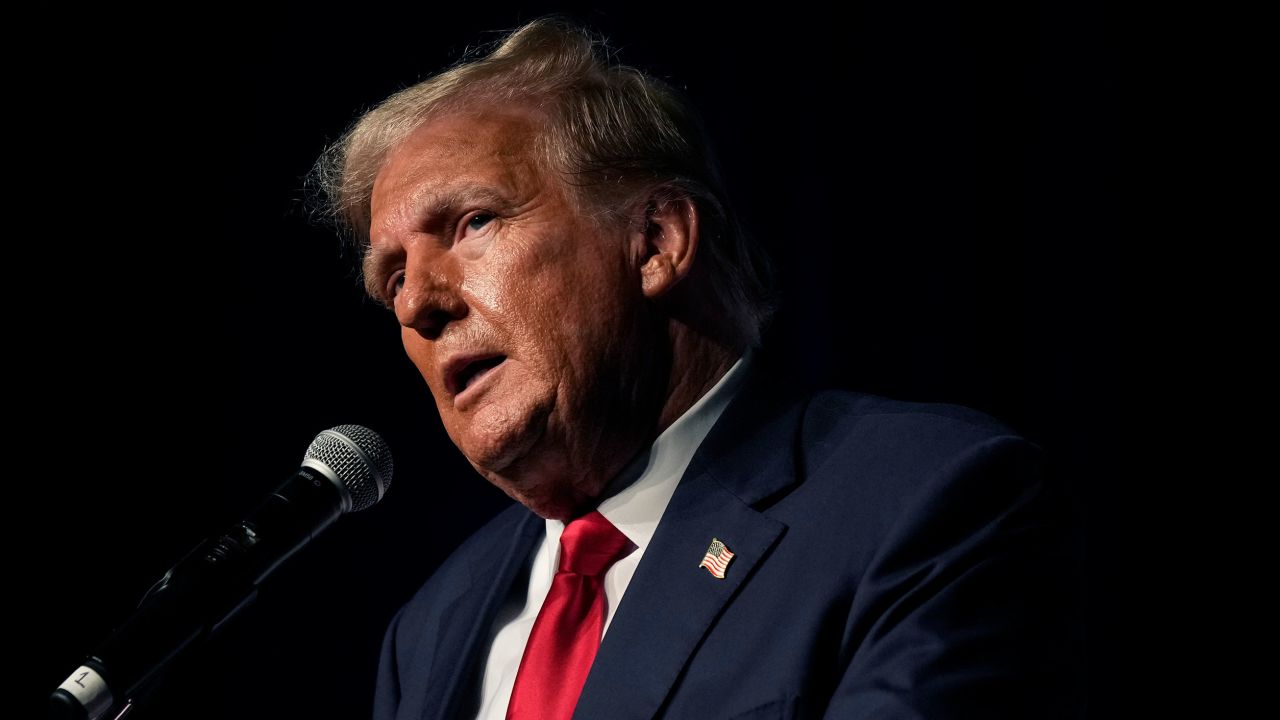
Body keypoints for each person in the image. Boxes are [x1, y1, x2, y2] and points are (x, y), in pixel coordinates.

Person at [312, 18, 1081, 720]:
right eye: (392, 279)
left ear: (657, 242)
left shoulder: (919, 500)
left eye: (473, 223)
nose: (420, 304)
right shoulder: (429, 633)